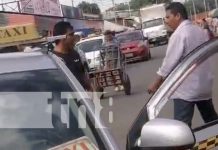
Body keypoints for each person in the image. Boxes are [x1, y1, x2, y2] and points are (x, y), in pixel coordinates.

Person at [147, 2, 218, 127]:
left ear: (177, 16)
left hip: (185, 90)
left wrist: (156, 83)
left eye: (168, 17)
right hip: (203, 86)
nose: (166, 21)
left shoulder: (179, 34)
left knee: (181, 128)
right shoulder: (200, 31)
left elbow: (169, 63)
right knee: (212, 121)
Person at [53, 21, 92, 91]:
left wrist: (91, 90)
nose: (74, 37)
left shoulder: (75, 54)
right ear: (61, 37)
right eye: (71, 34)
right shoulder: (54, 59)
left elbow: (83, 76)